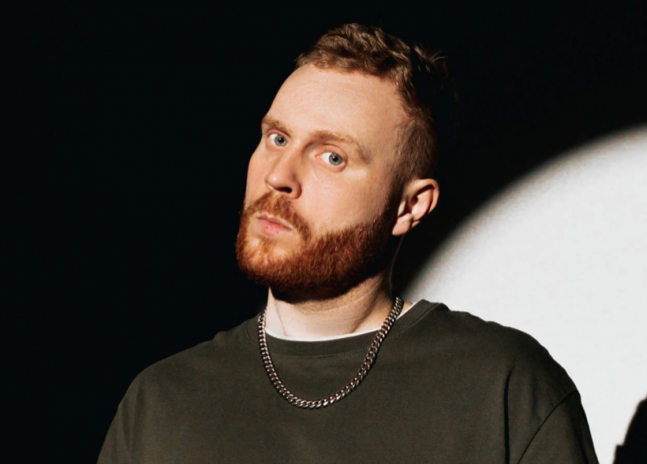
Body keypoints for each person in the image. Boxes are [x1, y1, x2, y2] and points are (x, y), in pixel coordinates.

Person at [99, 23, 599, 463]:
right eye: (277, 138)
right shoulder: (161, 401)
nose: (279, 176)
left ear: (409, 206)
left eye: (332, 157)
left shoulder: (503, 387)